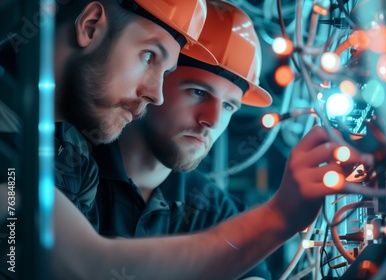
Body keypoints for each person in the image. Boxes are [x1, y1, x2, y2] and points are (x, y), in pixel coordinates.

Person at [0, 0, 363, 279]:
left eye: (230, 107)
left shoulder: (67, 155)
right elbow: (87, 266)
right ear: (90, 25)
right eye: (149, 57)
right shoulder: (49, 153)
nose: (154, 93)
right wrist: (277, 218)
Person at [92, 1, 272, 278]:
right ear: (153, 76)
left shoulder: (212, 210)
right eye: (198, 92)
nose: (211, 120)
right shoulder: (69, 166)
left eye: (228, 106)